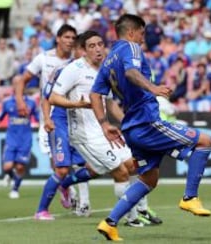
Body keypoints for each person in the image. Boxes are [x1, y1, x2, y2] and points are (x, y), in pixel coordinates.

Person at [91, 14, 211, 241]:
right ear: (131, 32)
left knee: (149, 179)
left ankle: (109, 223)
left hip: (131, 127)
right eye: (142, 33)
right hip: (147, 122)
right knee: (205, 142)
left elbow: (95, 93)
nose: (143, 38)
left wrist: (104, 123)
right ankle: (189, 198)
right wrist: (152, 87)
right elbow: (131, 72)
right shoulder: (131, 48)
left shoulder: (107, 62)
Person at [49, 30, 161, 227]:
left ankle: (141, 210)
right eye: (92, 46)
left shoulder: (105, 70)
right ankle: (132, 218)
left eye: (100, 44)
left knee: (134, 164)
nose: (98, 49)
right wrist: (77, 105)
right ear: (83, 50)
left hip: (103, 130)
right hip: (85, 134)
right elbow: (53, 97)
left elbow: (110, 104)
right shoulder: (74, 69)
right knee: (120, 172)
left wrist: (129, 123)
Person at [15, 24, 89, 219]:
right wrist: (21, 101)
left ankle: (78, 199)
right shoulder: (44, 59)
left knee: (81, 164)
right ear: (58, 38)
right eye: (66, 37)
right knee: (58, 165)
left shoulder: (76, 63)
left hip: (73, 119)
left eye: (73, 38)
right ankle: (59, 196)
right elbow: (22, 80)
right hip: (50, 118)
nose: (70, 41)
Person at [34, 34, 91, 220]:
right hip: (60, 121)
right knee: (62, 168)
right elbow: (47, 96)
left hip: (81, 122)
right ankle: (41, 210)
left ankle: (67, 187)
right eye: (84, 48)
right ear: (77, 50)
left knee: (91, 166)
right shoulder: (62, 69)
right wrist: (47, 119)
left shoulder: (96, 72)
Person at [0, 79, 39, 199]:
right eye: (15, 83)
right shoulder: (7, 103)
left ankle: (15, 189)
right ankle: (10, 176)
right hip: (11, 139)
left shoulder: (31, 103)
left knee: (20, 167)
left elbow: (38, 118)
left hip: (25, 139)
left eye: (20, 83)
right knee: (7, 166)